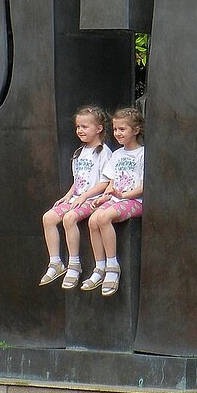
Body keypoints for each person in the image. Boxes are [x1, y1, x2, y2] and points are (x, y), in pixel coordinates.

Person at [39, 106, 112, 290]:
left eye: (85, 126)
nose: (80, 130)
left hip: (92, 200)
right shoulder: (78, 153)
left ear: (99, 128)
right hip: (77, 198)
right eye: (78, 126)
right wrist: (67, 196)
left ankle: (74, 263)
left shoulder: (104, 152)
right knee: (48, 218)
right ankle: (56, 262)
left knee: (70, 218)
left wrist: (85, 196)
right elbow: (77, 181)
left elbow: (105, 182)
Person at [81, 106, 144, 297]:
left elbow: (144, 185)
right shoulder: (116, 155)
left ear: (136, 130)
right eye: (115, 129)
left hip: (134, 201)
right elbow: (111, 183)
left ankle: (112, 266)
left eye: (122, 129)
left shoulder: (143, 154)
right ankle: (99, 267)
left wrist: (124, 196)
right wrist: (103, 197)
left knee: (104, 217)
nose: (117, 133)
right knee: (93, 220)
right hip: (116, 199)